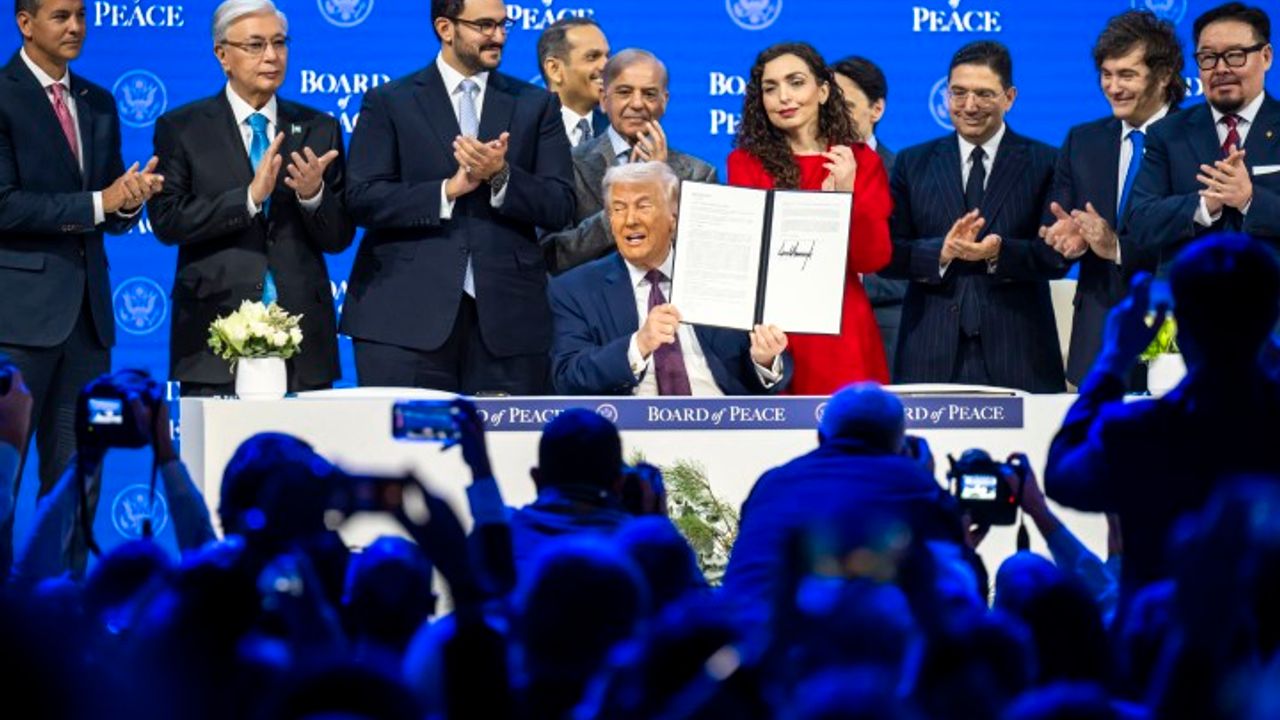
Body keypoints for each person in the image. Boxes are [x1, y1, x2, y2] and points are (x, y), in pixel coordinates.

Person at [340, 0, 576, 395]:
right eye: (485, 26)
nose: (498, 36)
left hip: (508, 324)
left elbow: (561, 204)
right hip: (403, 322)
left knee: (507, 437)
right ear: (445, 28)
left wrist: (500, 175)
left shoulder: (536, 105)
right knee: (407, 437)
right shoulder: (389, 102)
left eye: (503, 25)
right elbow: (363, 198)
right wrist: (446, 191)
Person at [0, 0, 162, 574]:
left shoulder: (98, 101)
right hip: (17, 324)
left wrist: (129, 201)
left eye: (81, 16)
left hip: (88, 323)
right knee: (2, 480)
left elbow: (107, 208)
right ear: (25, 23)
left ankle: (65, 601)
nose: (75, 27)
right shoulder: (2, 97)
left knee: (77, 477)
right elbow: (5, 206)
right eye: (60, 16)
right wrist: (100, 202)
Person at [1045, 233, 1280, 601]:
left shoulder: (1138, 431)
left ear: (1181, 326)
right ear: (1270, 318)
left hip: (1164, 630)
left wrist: (1112, 361)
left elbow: (1062, 476)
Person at [147, 0, 354, 397]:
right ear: (222, 55)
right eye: (255, 45)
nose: (272, 56)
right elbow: (168, 221)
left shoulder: (318, 128)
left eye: (279, 42)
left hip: (304, 338)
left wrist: (313, 196)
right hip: (213, 331)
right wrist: (248, 198)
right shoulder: (182, 127)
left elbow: (339, 237)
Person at [882, 40, 1067, 392]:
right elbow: (889, 254)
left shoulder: (1046, 161)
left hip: (1020, 355)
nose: (969, 106)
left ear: (1009, 97)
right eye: (959, 93)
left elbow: (1055, 257)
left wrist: (999, 252)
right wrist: (941, 252)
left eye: (983, 94)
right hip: (929, 354)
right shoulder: (912, 163)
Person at [728, 42, 892, 394]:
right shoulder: (745, 162)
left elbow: (872, 258)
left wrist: (846, 195)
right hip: (774, 327)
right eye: (770, 88)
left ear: (823, 91)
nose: (783, 97)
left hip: (842, 325)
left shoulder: (860, 160)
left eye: (796, 82)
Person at [549, 161, 792, 396]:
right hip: (633, 420)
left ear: (673, 218)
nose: (630, 220)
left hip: (722, 415)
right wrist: (638, 345)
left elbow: (771, 368)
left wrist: (764, 359)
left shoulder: (724, 274)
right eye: (619, 209)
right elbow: (568, 376)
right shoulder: (574, 290)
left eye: (643, 206)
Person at [721, 383, 965, 609]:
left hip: (745, 629)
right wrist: (924, 477)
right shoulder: (914, 483)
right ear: (900, 445)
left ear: (821, 436)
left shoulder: (772, 483)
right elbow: (962, 588)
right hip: (850, 634)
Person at [1043, 10, 1184, 389]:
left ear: (1164, 75)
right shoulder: (1082, 141)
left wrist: (1117, 248)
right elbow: (1060, 221)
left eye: (1127, 75)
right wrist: (1066, 240)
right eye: (1107, 74)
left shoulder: (1198, 139)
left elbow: (1200, 241)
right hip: (1098, 344)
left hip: (1175, 339)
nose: (1113, 87)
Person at [1125, 2, 1279, 274]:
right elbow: (1139, 221)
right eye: (1208, 58)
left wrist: (1249, 199)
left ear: (1266, 57)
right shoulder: (1167, 133)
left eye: (1235, 55)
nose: (1220, 69)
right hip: (1187, 295)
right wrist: (1204, 205)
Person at [543, 48, 718, 274]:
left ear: (664, 102)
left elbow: (705, 258)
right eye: (624, 92)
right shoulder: (568, 165)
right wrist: (618, 213)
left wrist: (660, 183)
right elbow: (552, 255)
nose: (637, 104)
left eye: (649, 94)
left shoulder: (699, 174)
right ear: (603, 99)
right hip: (593, 294)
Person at [833, 55, 908, 378]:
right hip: (810, 329)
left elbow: (912, 262)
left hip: (883, 324)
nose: (834, 117)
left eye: (846, 106)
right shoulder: (798, 171)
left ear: (876, 109)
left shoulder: (905, 173)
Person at [536, 16, 609, 147]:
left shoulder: (619, 131)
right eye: (592, 57)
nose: (607, 66)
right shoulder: (523, 131)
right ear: (554, 69)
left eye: (607, 56)